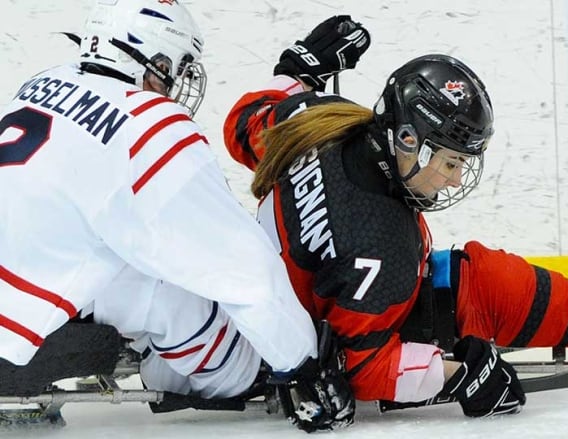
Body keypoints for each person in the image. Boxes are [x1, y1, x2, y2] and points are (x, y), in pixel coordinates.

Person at [222, 16, 568, 418]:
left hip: (301, 293)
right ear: (407, 141)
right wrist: (457, 375)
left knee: (486, 277)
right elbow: (364, 369)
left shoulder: (319, 123)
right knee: (489, 286)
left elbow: (241, 123)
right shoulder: (381, 243)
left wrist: (297, 77)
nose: (453, 178)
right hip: (301, 336)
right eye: (448, 162)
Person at [0, 0, 353, 432]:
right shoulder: (151, 122)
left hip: (26, 269)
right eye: (176, 66)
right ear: (153, 60)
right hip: (15, 328)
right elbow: (243, 269)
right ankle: (220, 370)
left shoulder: (46, 80)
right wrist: (302, 363)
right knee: (182, 298)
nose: (176, 82)